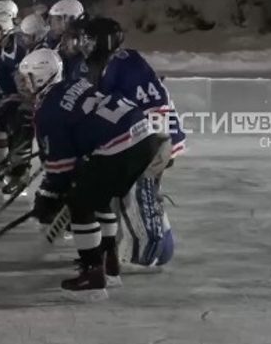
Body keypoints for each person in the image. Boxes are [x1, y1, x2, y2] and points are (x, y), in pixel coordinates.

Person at [19, 48, 164, 301]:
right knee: (98, 197)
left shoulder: (48, 110)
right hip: (144, 138)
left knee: (80, 204)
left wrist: (47, 197)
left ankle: (93, 277)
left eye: (28, 77)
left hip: (121, 145)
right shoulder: (75, 83)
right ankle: (109, 267)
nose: (24, 83)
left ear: (42, 77)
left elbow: (60, 168)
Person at [74, 17, 185, 269]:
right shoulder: (98, 64)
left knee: (135, 194)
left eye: (89, 40)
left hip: (150, 138)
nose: (84, 44)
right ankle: (119, 249)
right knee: (113, 196)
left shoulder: (128, 64)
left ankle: (152, 251)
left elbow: (154, 109)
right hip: (129, 140)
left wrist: (151, 150)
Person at [0, 11, 32, 192]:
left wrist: (21, 96)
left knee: (19, 120)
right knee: (2, 115)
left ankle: (21, 169)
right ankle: (7, 162)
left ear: (3, 30)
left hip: (34, 97)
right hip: (22, 97)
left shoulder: (20, 46)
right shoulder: (0, 53)